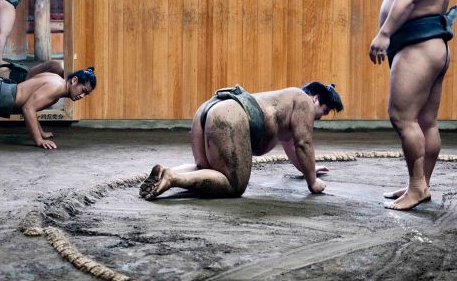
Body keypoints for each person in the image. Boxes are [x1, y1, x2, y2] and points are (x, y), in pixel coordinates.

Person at [368, 0, 457, 210]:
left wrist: (384, 34)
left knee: (401, 117)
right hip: (435, 46)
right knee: (426, 121)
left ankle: (418, 187)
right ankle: (420, 184)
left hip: (417, 46)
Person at [139, 82, 343, 200]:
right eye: (323, 112)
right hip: (231, 115)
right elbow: (303, 143)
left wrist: (310, 169)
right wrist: (313, 183)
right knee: (233, 185)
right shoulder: (303, 101)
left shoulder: (286, 104)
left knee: (206, 168)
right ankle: (173, 177)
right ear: (316, 98)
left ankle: (166, 172)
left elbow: (293, 148)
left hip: (210, 109)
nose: (319, 118)